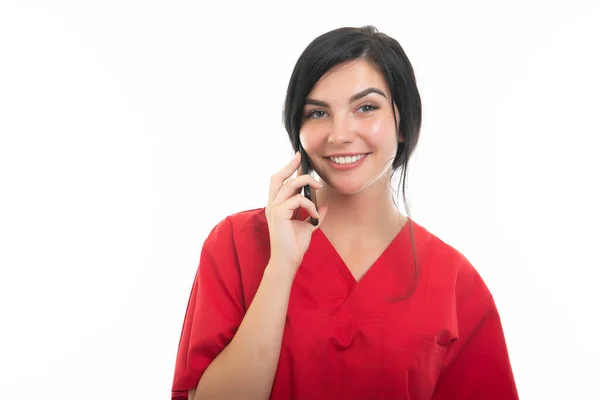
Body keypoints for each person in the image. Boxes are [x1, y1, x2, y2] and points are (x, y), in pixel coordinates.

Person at [170, 25, 519, 400]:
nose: (339, 134)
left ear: (404, 123)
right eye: (318, 113)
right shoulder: (237, 243)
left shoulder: (455, 283)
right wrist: (281, 268)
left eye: (366, 108)